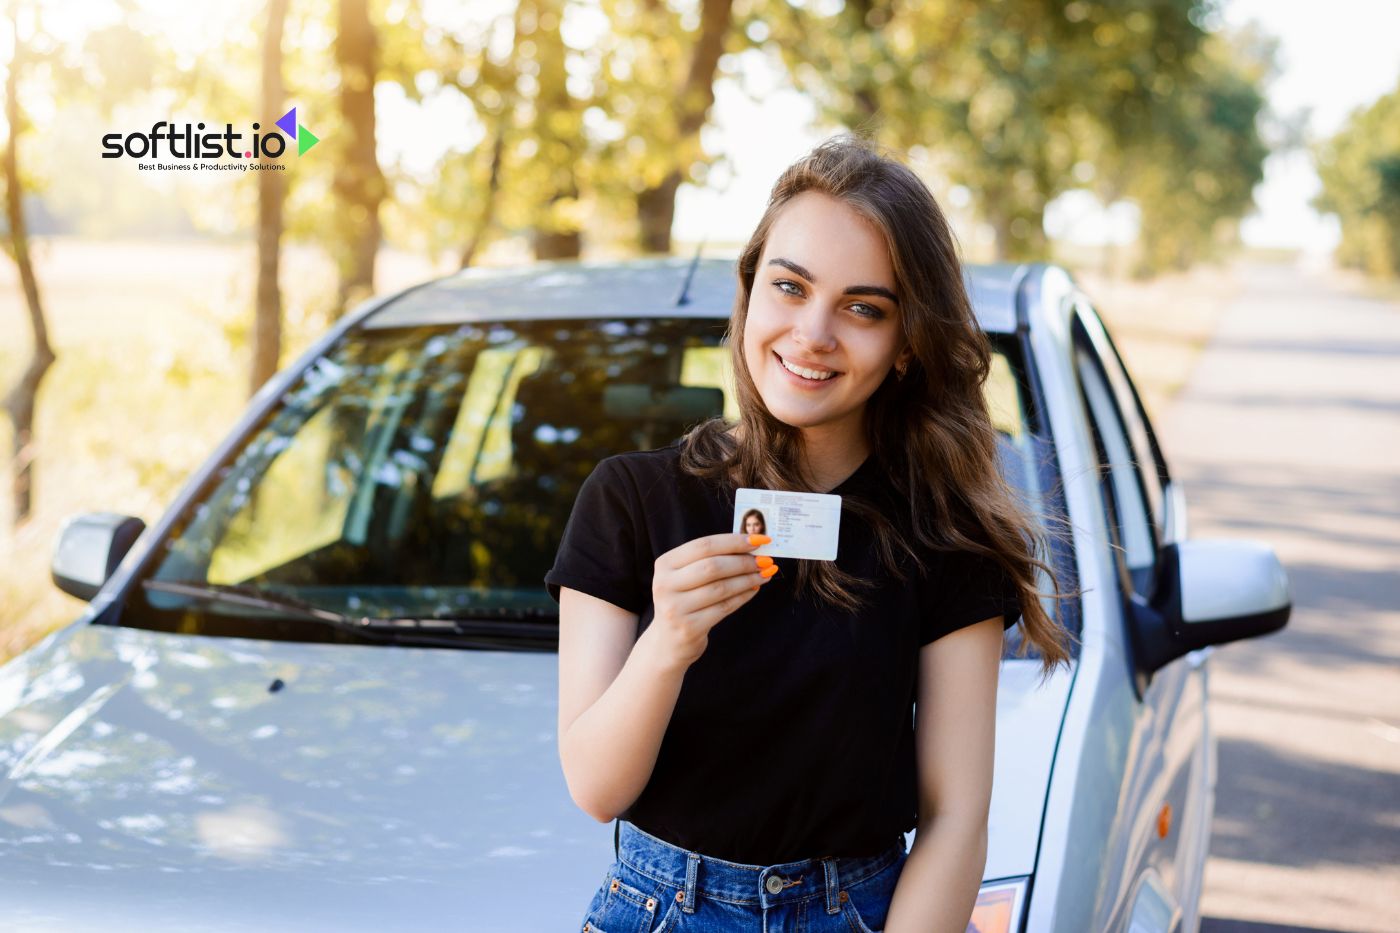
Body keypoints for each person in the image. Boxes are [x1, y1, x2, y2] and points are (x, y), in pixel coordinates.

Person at [546, 134, 1077, 933]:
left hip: (856, 913)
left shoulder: (944, 535)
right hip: (656, 910)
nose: (814, 332)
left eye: (864, 308)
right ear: (749, 292)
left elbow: (958, 818)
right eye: (789, 287)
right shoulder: (629, 499)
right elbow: (596, 789)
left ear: (905, 347)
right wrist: (668, 641)